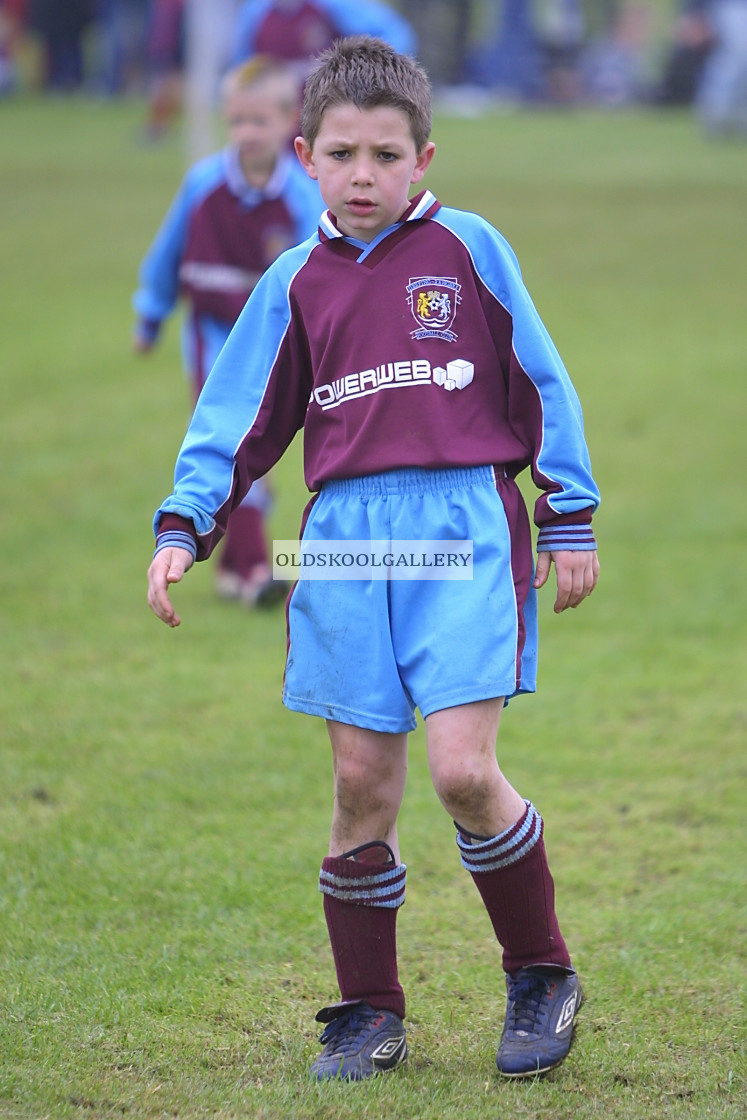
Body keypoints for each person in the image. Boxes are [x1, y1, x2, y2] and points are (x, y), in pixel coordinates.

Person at [147, 35, 600, 1081]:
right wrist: (186, 525)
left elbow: (544, 381)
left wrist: (567, 514)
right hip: (345, 536)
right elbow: (236, 416)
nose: (363, 176)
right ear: (306, 155)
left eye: (386, 156)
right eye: (343, 154)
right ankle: (365, 1010)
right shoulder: (293, 281)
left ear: (424, 159)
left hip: (462, 526)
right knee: (360, 783)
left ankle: (540, 972)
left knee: (462, 770)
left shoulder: (472, 249)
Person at [135, 56, 322, 606]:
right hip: (212, 333)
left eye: (259, 121)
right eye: (235, 121)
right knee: (228, 438)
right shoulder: (203, 183)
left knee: (262, 448)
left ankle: (232, 568)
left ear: (291, 120)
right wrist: (150, 312)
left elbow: (328, 267)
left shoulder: (303, 196)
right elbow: (167, 252)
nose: (246, 133)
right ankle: (256, 571)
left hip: (278, 342)